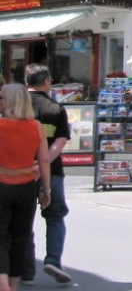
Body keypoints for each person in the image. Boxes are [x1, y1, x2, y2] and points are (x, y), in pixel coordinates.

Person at [21, 64, 71, 286]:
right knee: (55, 216)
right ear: (47, 82)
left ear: (26, 82)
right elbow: (59, 142)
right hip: (53, 171)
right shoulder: (55, 108)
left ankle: (26, 270)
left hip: (18, 171)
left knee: (22, 220)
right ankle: (53, 260)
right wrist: (43, 164)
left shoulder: (15, 108)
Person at [0, 84, 51, 291]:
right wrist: (46, 190)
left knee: (1, 237)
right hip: (26, 187)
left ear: (9, 101)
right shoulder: (36, 126)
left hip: (2, 185)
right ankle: (12, 284)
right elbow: (44, 160)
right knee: (21, 238)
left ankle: (2, 283)